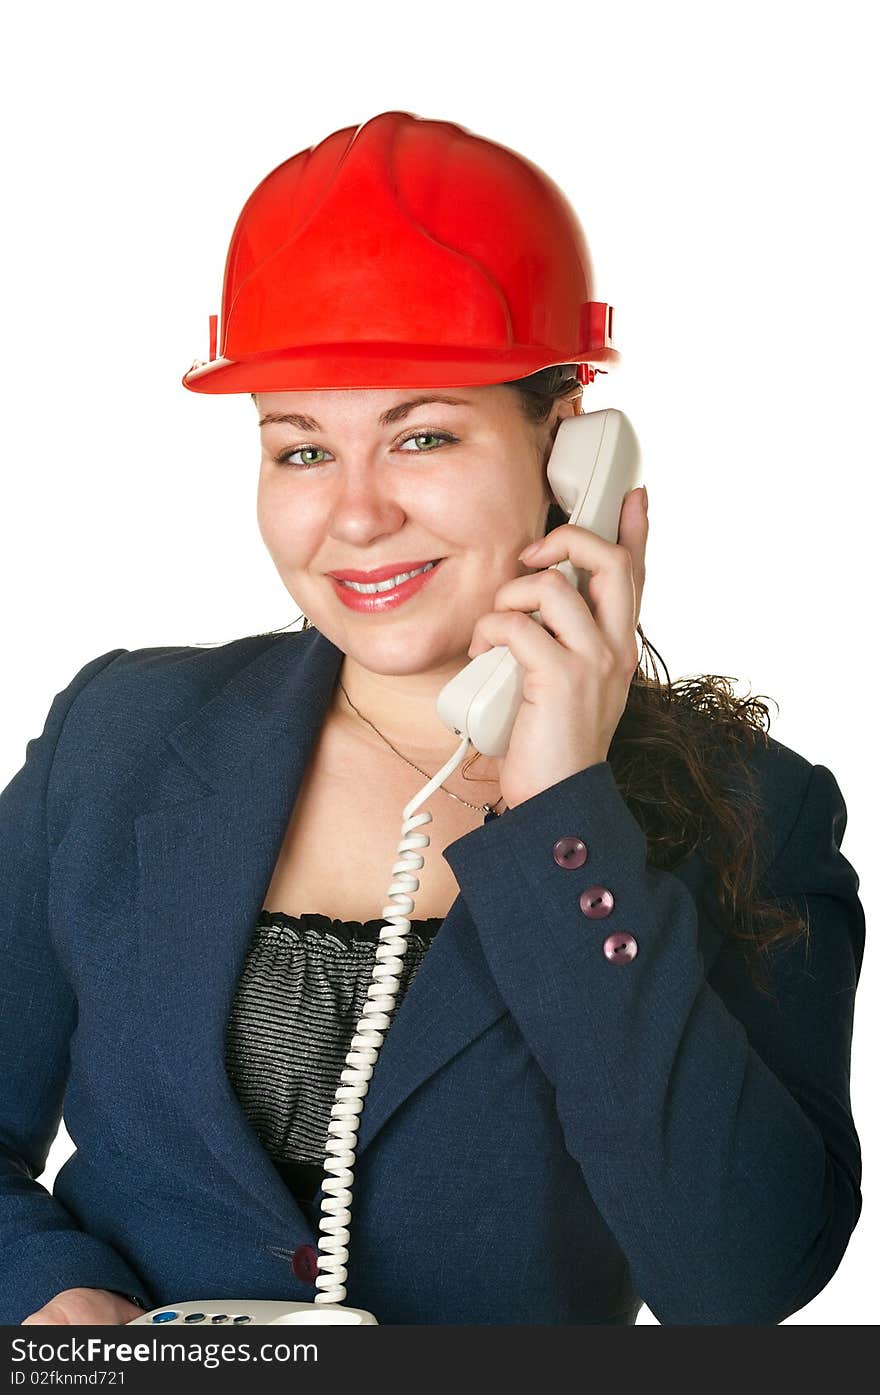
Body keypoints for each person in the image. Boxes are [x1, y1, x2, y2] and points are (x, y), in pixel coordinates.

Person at [1, 112, 864, 1327]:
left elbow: (740, 1283)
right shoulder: (120, 737)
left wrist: (566, 815)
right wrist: (54, 1301)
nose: (353, 517)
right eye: (300, 452)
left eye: (421, 436)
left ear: (570, 455)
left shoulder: (755, 811)